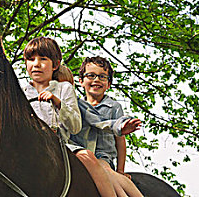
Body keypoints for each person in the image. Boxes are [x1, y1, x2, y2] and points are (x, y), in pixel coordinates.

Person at [22, 37, 119, 197]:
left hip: (61, 144)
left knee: (87, 156)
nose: (36, 64)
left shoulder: (63, 88)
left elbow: (75, 126)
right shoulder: (21, 92)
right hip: (30, 146)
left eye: (43, 59)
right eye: (31, 59)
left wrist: (57, 102)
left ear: (55, 64)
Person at [71, 56, 143, 196]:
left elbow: (120, 140)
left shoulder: (113, 107)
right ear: (81, 81)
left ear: (108, 84)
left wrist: (120, 170)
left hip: (102, 156)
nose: (96, 80)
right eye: (91, 75)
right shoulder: (77, 106)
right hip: (82, 153)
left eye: (102, 77)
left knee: (107, 172)